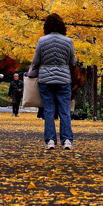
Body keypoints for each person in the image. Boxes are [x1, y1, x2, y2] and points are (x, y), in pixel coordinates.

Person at [30, 13, 77, 150]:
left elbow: (36, 61)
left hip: (46, 80)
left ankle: (50, 140)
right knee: (65, 111)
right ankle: (67, 140)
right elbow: (72, 62)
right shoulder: (68, 41)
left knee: (49, 111)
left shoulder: (42, 41)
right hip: (63, 80)